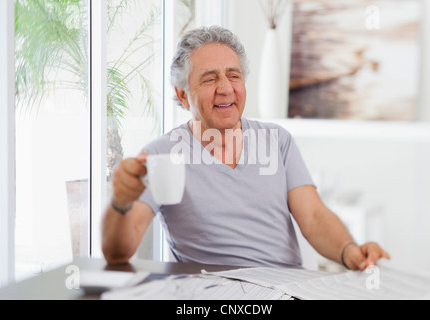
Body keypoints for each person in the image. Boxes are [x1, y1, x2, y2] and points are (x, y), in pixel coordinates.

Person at [101, 26, 390, 270]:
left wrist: (349, 251)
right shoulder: (160, 156)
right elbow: (118, 253)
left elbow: (314, 217)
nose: (226, 88)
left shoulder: (277, 141)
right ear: (182, 94)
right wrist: (120, 203)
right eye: (210, 78)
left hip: (285, 291)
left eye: (234, 75)